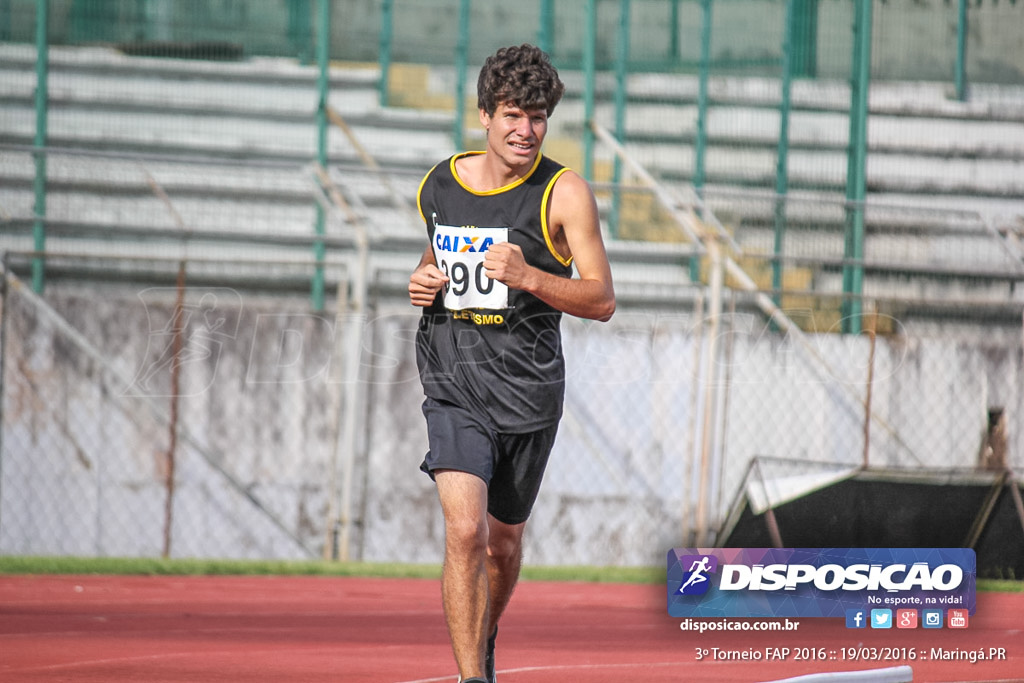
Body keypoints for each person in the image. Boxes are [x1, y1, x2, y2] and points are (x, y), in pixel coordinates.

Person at [407, 43, 615, 683]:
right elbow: (435, 259)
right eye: (512, 115)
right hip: (453, 381)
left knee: (502, 544)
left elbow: (602, 298)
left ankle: (483, 633)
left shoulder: (563, 192)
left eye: (538, 117)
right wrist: (422, 279)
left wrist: (529, 276)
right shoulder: (439, 183)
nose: (526, 130)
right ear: (484, 117)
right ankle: (473, 678)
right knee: (463, 531)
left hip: (527, 392)